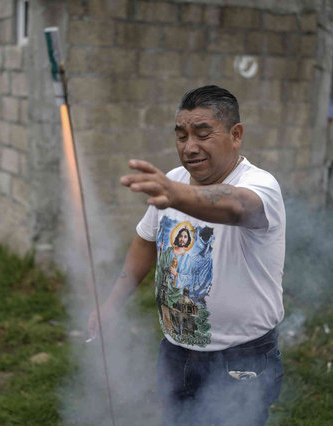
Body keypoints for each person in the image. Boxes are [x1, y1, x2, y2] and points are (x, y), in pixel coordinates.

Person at [88, 85, 286, 424]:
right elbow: (145, 242)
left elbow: (237, 206)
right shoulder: (175, 182)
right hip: (176, 350)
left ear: (235, 135)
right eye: (181, 136)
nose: (189, 147)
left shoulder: (260, 185)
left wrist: (175, 193)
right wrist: (111, 303)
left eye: (202, 134)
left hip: (240, 358)